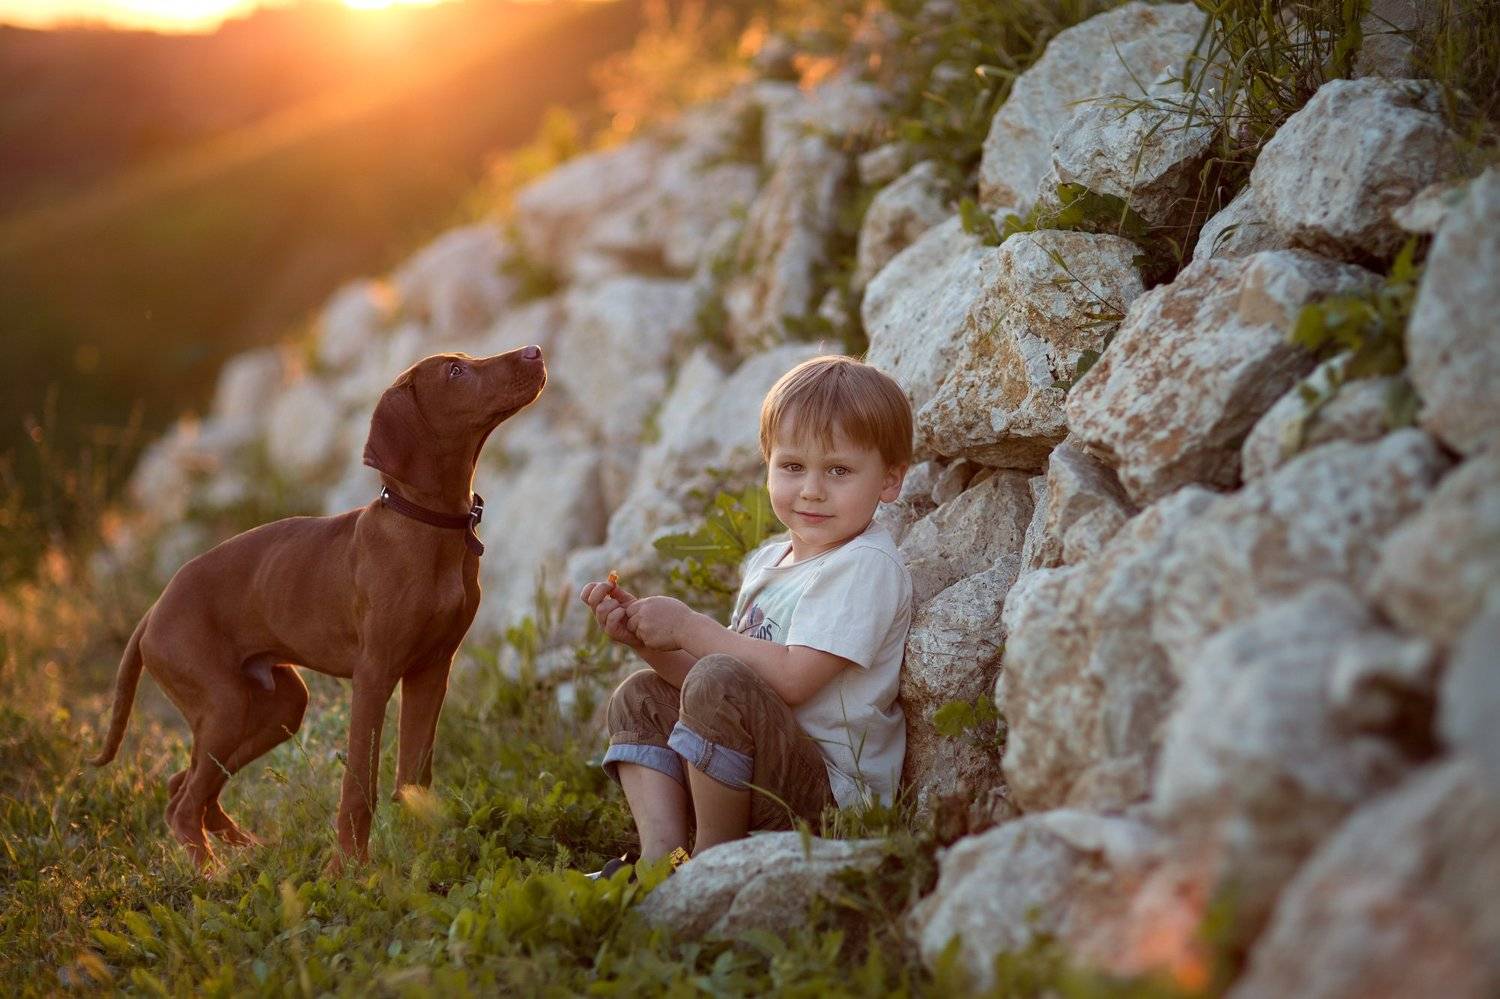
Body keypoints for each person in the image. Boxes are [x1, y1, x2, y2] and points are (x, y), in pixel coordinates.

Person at [579, 355, 914, 872]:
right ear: (768, 462)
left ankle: (713, 863)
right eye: (793, 466)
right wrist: (648, 641)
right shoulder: (769, 563)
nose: (812, 490)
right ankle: (660, 861)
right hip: (757, 765)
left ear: (889, 481)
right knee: (641, 694)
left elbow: (794, 679)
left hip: (827, 793)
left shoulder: (864, 564)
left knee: (718, 675)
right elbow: (712, 694)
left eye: (840, 471)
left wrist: (690, 626)